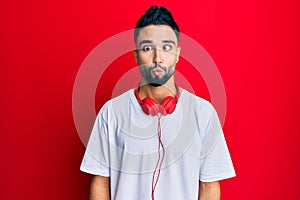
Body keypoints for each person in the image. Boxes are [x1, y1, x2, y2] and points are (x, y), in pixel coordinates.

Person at [80, 5, 235, 200]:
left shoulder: (203, 113)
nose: (157, 58)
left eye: (166, 48)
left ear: (177, 54)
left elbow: (210, 187)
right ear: (136, 55)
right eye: (147, 48)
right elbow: (101, 181)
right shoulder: (111, 112)